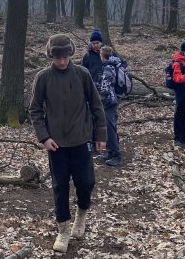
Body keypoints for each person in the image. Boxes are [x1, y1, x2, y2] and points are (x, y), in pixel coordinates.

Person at [30, 34, 107, 253]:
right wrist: (44, 137)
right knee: (60, 186)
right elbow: (35, 110)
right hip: (56, 145)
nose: (62, 61)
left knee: (86, 183)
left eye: (65, 56)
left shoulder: (82, 74)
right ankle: (63, 229)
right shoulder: (43, 77)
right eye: (57, 57)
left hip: (82, 140)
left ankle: (81, 216)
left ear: (70, 54)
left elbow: (96, 105)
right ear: (51, 56)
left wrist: (100, 135)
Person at [165, 40, 185, 147]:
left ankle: (184, 137)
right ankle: (178, 138)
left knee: (184, 116)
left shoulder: (184, 61)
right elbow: (177, 78)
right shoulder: (178, 62)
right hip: (182, 93)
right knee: (179, 116)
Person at [98, 46, 123, 166]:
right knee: (109, 126)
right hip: (112, 100)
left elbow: (105, 86)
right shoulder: (112, 65)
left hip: (109, 101)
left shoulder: (108, 67)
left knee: (110, 128)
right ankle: (109, 151)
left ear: (102, 56)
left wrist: (101, 97)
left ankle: (116, 155)